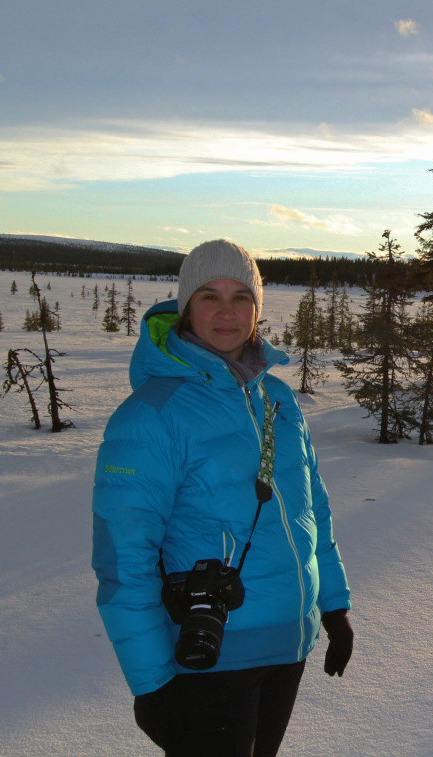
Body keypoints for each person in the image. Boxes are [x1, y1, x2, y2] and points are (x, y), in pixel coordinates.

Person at [92, 239, 353, 756]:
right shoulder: (153, 414)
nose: (227, 313)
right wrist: (151, 681)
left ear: (257, 309)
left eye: (241, 298)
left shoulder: (278, 400)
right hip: (210, 655)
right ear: (187, 307)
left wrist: (333, 606)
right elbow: (124, 558)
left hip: (288, 644)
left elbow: (312, 512)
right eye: (210, 296)